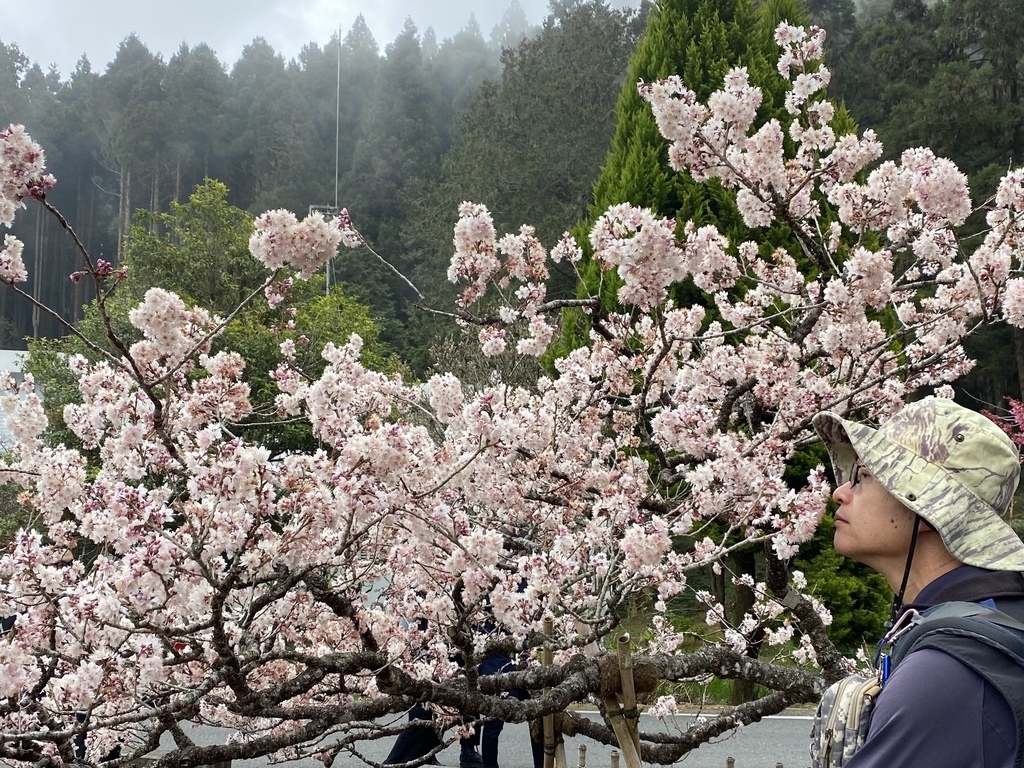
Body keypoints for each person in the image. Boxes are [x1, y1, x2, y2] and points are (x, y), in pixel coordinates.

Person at [812, 396, 1024, 767]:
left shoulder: (946, 673)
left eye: (863, 479)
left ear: (928, 510)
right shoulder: (1003, 616)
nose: (840, 493)